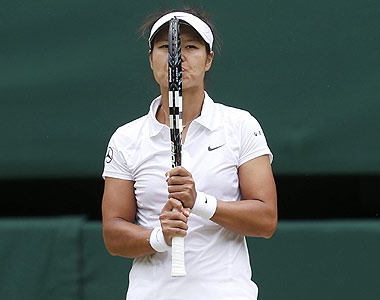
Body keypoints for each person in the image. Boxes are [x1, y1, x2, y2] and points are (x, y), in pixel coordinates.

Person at [102, 8, 277, 300]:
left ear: (208, 59)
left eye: (191, 47)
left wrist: (200, 203)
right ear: (151, 59)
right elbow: (113, 235)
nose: (177, 56)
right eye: (165, 47)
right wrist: (159, 237)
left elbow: (266, 220)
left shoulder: (241, 126)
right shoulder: (125, 139)